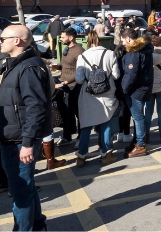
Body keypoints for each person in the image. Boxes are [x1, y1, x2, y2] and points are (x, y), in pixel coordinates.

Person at [0, 25, 52, 231]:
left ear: (17, 41)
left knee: (20, 192)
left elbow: (36, 107)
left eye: (3, 38)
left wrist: (27, 142)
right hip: (12, 135)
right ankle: (37, 224)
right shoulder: (15, 64)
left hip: (19, 139)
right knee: (26, 186)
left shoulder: (28, 67)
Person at [74, 32, 121, 167]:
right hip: (107, 93)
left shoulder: (82, 56)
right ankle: (106, 154)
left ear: (87, 42)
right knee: (106, 123)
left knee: (86, 126)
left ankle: (81, 156)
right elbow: (116, 75)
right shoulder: (110, 53)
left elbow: (79, 79)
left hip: (88, 94)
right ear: (99, 40)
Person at [119, 28, 155, 158]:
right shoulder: (145, 49)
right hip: (144, 87)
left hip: (136, 89)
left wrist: (123, 90)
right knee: (138, 117)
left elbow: (130, 75)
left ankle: (140, 145)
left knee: (138, 117)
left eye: (123, 40)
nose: (122, 43)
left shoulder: (133, 52)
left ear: (128, 38)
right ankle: (136, 141)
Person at [55, 27, 83, 147]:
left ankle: (81, 137)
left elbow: (79, 72)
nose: (60, 39)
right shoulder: (66, 48)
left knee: (78, 113)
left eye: (62, 37)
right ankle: (67, 136)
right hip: (63, 86)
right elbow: (64, 65)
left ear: (70, 38)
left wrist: (66, 81)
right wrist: (55, 66)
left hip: (74, 87)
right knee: (65, 112)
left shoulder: (79, 51)